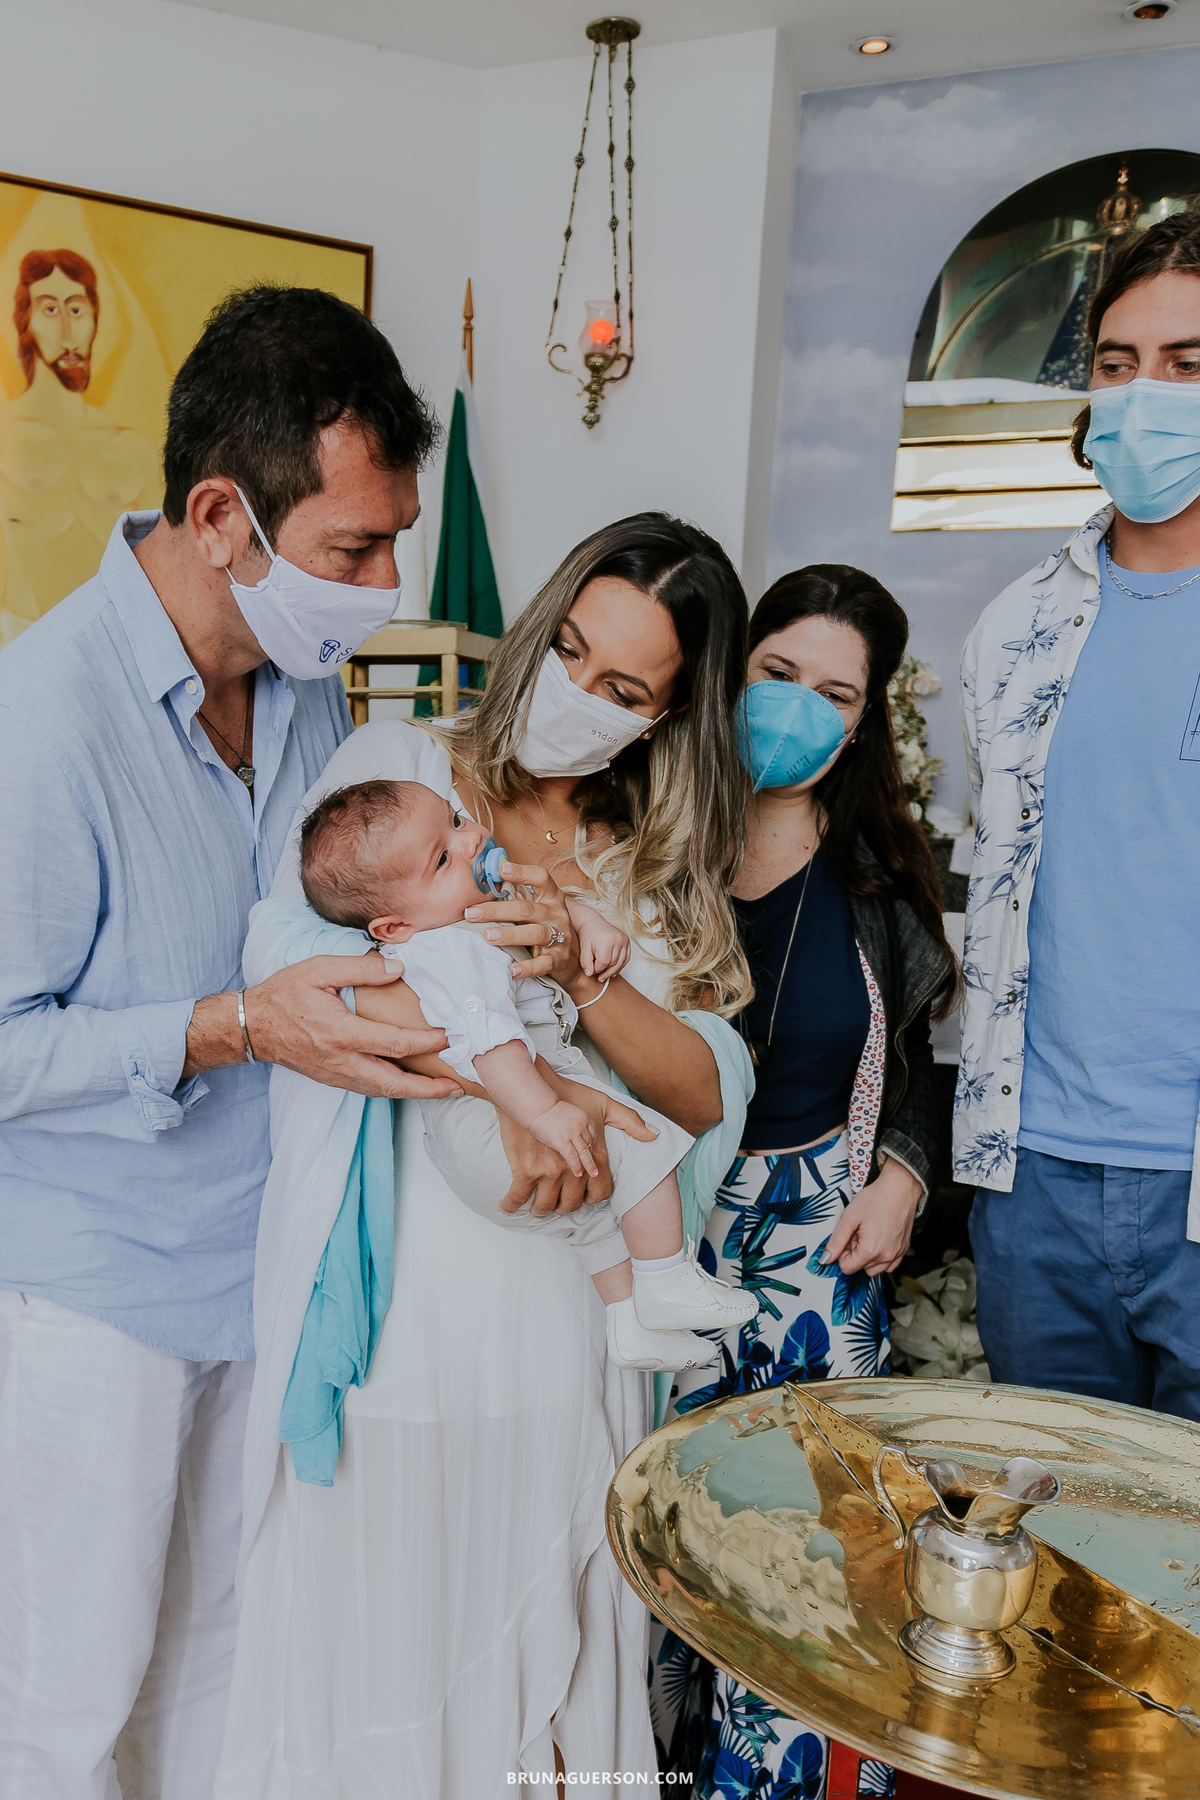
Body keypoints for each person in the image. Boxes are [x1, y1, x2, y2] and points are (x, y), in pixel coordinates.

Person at [0, 284, 465, 1800]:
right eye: (355, 548)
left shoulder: (314, 688)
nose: (389, 584)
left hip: (261, 1269)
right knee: (67, 1701)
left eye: (396, 537)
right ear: (220, 516)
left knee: (223, 1664)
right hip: (90, 1296)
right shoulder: (42, 723)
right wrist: (230, 1028)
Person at [214, 512, 755, 1795]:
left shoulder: (656, 865)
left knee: (554, 1683)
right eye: (568, 648)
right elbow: (296, 984)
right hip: (409, 1325)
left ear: (670, 716)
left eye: (624, 688)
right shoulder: (399, 774)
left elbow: (703, 1086)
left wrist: (576, 978)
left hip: (574, 1329)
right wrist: (507, 1076)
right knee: (392, 1643)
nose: (578, 694)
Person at [649, 564, 957, 1796]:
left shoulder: (880, 870)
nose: (799, 711)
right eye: (777, 675)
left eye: (837, 693)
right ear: (728, 671)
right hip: (650, 1244)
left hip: (815, 1257)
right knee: (659, 1548)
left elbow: (922, 1064)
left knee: (811, 1574)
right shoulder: (644, 834)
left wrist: (906, 1176)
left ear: (867, 716)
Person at [959, 201, 1200, 1420]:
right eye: (1118, 364)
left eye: (1187, 364)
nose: (1145, 394)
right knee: (1050, 1552)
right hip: (1034, 1172)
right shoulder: (1014, 630)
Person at [296, 777, 756, 1371]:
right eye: (441, 859)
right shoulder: (448, 951)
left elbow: (557, 916)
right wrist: (542, 1111)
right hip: (496, 1112)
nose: (470, 844)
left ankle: (629, 1326)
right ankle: (666, 1279)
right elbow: (487, 1041)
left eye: (456, 822)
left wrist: (590, 926)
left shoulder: (470, 918)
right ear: (392, 927)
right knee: (644, 1143)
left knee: (594, 1219)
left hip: (482, 1124)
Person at [0, 248, 159, 644]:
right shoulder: (7, 437)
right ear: (26, 323)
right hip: (17, 642)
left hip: (114, 648)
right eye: (49, 310)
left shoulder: (132, 449)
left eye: (76, 310)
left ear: (94, 321)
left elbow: (162, 577)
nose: (67, 334)